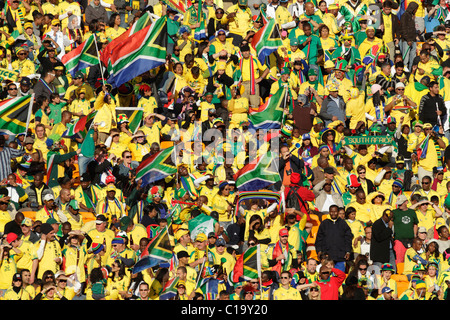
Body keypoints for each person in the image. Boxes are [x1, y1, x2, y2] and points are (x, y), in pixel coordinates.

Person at [315, 204, 353, 272]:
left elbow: (348, 238)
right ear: (329, 212)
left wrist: (348, 251)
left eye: (335, 211)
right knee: (328, 277)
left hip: (340, 256)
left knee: (339, 277)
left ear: (338, 212)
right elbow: (319, 239)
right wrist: (319, 251)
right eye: (331, 211)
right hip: (327, 257)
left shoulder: (343, 223)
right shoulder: (324, 223)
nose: (333, 213)